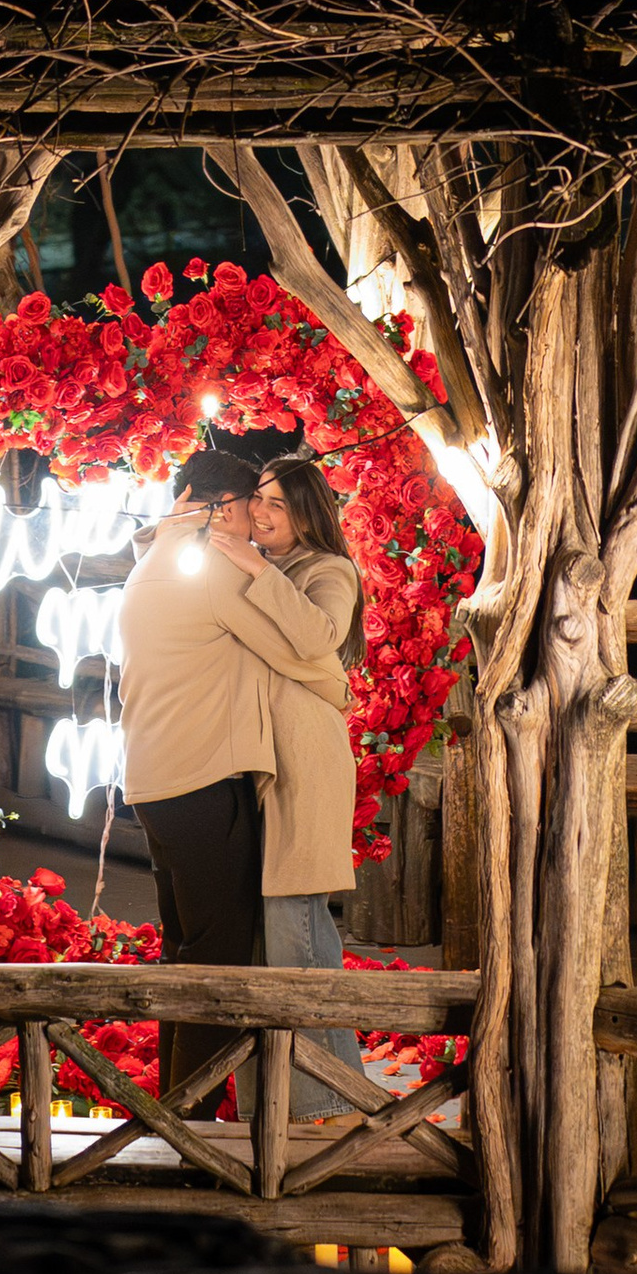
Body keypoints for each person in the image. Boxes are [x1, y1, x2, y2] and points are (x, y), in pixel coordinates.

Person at [197, 452, 369, 1112]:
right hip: (255, 761)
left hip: (304, 761)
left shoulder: (328, 569)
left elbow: (320, 635)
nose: (261, 511)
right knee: (268, 938)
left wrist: (257, 568)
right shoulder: (248, 565)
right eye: (257, 499)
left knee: (295, 927)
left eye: (276, 501)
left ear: (306, 511)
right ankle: (282, 1103)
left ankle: (331, 1106)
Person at [113, 437, 275, 1098]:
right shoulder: (213, 569)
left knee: (184, 951)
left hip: (156, 782)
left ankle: (173, 1113)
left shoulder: (152, 559)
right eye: (252, 505)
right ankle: (189, 1122)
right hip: (203, 782)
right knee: (216, 964)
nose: (259, 520)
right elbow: (298, 643)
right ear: (219, 507)